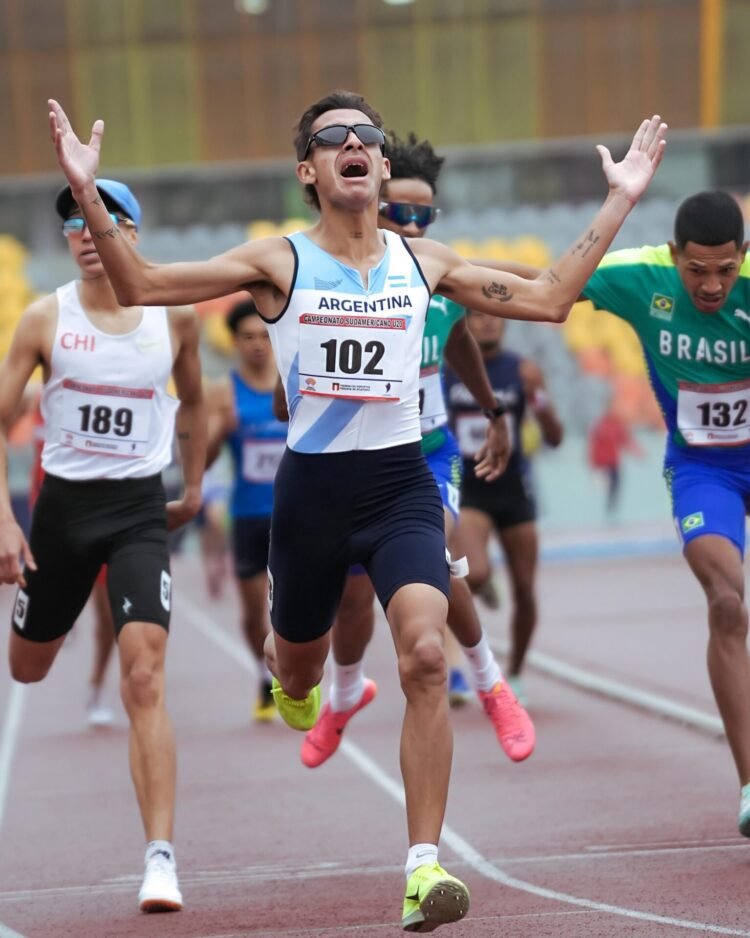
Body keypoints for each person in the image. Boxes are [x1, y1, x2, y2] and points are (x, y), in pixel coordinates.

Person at [46, 93, 666, 932]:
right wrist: (87, 192)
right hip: (312, 499)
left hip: (399, 486)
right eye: (331, 139)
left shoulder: (425, 264)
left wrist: (622, 196)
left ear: (379, 166)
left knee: (419, 652)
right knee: (294, 669)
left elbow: (553, 297)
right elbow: (144, 282)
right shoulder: (280, 262)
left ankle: (423, 869)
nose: (353, 146)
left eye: (365, 138)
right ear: (309, 170)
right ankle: (307, 687)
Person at [299, 130, 536, 776]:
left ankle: (489, 681)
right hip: (344, 460)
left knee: (438, 545)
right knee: (350, 602)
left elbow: (458, 337)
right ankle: (345, 693)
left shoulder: (431, 273)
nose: (410, 224)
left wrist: (492, 412)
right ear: (371, 198)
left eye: (423, 216)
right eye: (400, 211)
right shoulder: (330, 277)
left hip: (423, 454)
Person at [0, 178, 206, 913]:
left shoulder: (173, 320)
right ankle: (64, 605)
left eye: (104, 221)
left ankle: (159, 860)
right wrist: (5, 521)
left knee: (144, 676)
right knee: (25, 671)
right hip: (60, 515)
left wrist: (194, 485)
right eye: (76, 224)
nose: (88, 233)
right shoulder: (40, 320)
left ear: (133, 235)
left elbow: (195, 399)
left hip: (136, 511)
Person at [578, 190, 750, 838]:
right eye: (696, 270)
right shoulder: (639, 277)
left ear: (744, 257)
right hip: (704, 468)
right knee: (727, 603)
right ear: (674, 256)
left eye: (726, 271)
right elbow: (549, 285)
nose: (711, 285)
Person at [445, 309, 563, 706]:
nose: (488, 323)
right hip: (471, 489)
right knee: (472, 573)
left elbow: (555, 437)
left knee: (526, 591)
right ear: (466, 325)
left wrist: (540, 401)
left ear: (506, 323)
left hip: (514, 490)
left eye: (494, 318)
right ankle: (462, 668)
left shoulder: (523, 370)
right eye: (477, 317)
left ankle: (516, 674)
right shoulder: (448, 371)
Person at [206, 298, 287, 721]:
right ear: (235, 343)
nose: (257, 345)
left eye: (264, 336)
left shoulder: (292, 381)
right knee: (255, 612)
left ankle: (300, 673)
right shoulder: (223, 392)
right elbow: (199, 461)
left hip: (295, 514)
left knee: (297, 604)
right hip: (250, 516)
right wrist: (221, 429)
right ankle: (262, 674)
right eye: (248, 337)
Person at [27, 386, 117, 727]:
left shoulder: (100, 394)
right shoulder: (33, 398)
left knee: (107, 615)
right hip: (50, 517)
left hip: (101, 511)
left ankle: (95, 685)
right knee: (51, 606)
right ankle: (63, 614)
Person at [587, 404, 642, 515]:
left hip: (613, 463)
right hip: (602, 464)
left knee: (615, 487)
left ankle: (612, 509)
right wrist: (593, 463)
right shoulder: (599, 426)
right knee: (604, 488)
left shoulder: (616, 425)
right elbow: (593, 446)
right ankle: (606, 510)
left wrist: (637, 452)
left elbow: (626, 440)